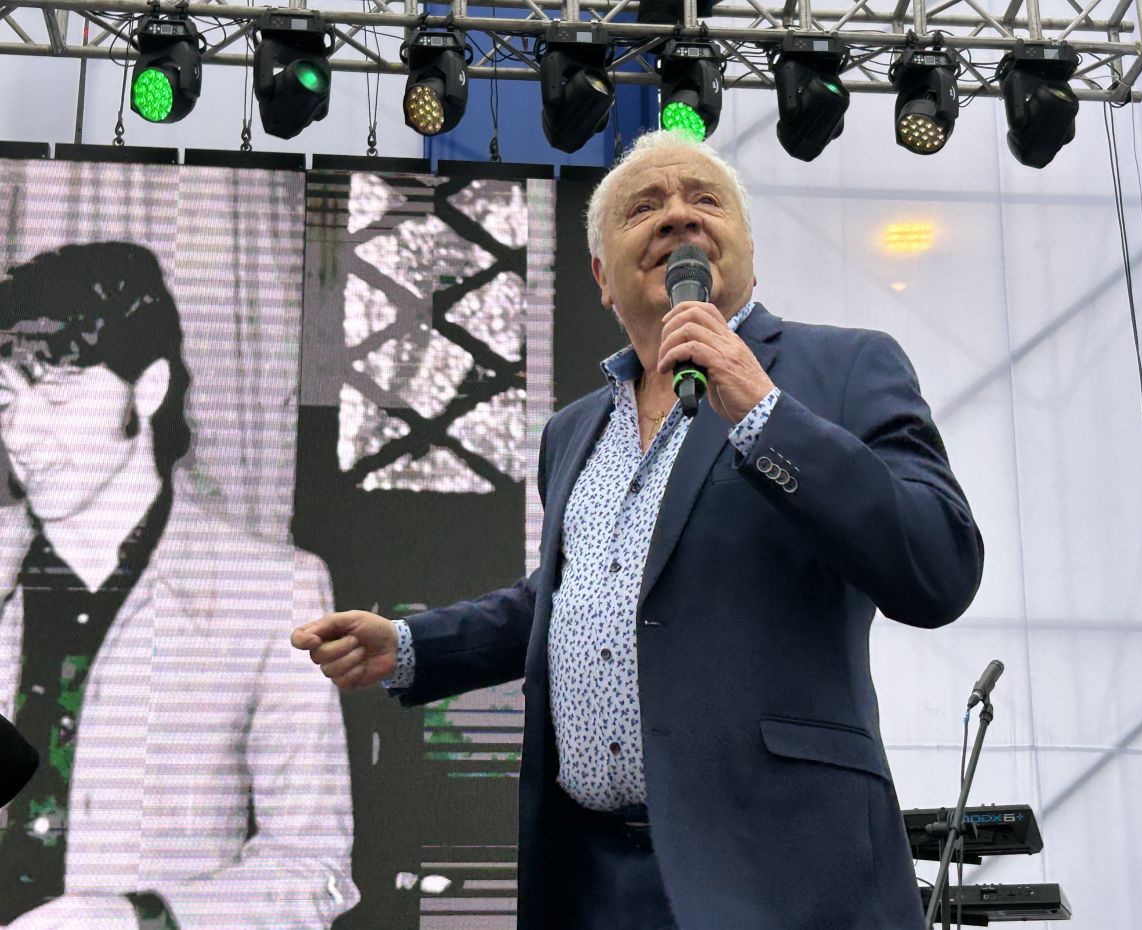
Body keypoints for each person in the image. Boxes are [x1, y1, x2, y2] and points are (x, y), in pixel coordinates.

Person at [293, 130, 984, 930]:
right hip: (595, 882)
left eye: (704, 200)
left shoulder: (847, 369)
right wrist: (412, 646)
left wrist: (763, 410)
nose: (677, 217)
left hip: (781, 874)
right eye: (644, 207)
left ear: (749, 254)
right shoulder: (573, 431)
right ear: (601, 277)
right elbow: (567, 601)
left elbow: (940, 565)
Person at [0, 242, 358, 930]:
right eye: (6, 400)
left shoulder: (276, 590)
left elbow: (312, 871)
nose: (23, 435)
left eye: (59, 395)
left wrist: (142, 920)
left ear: (149, 387)